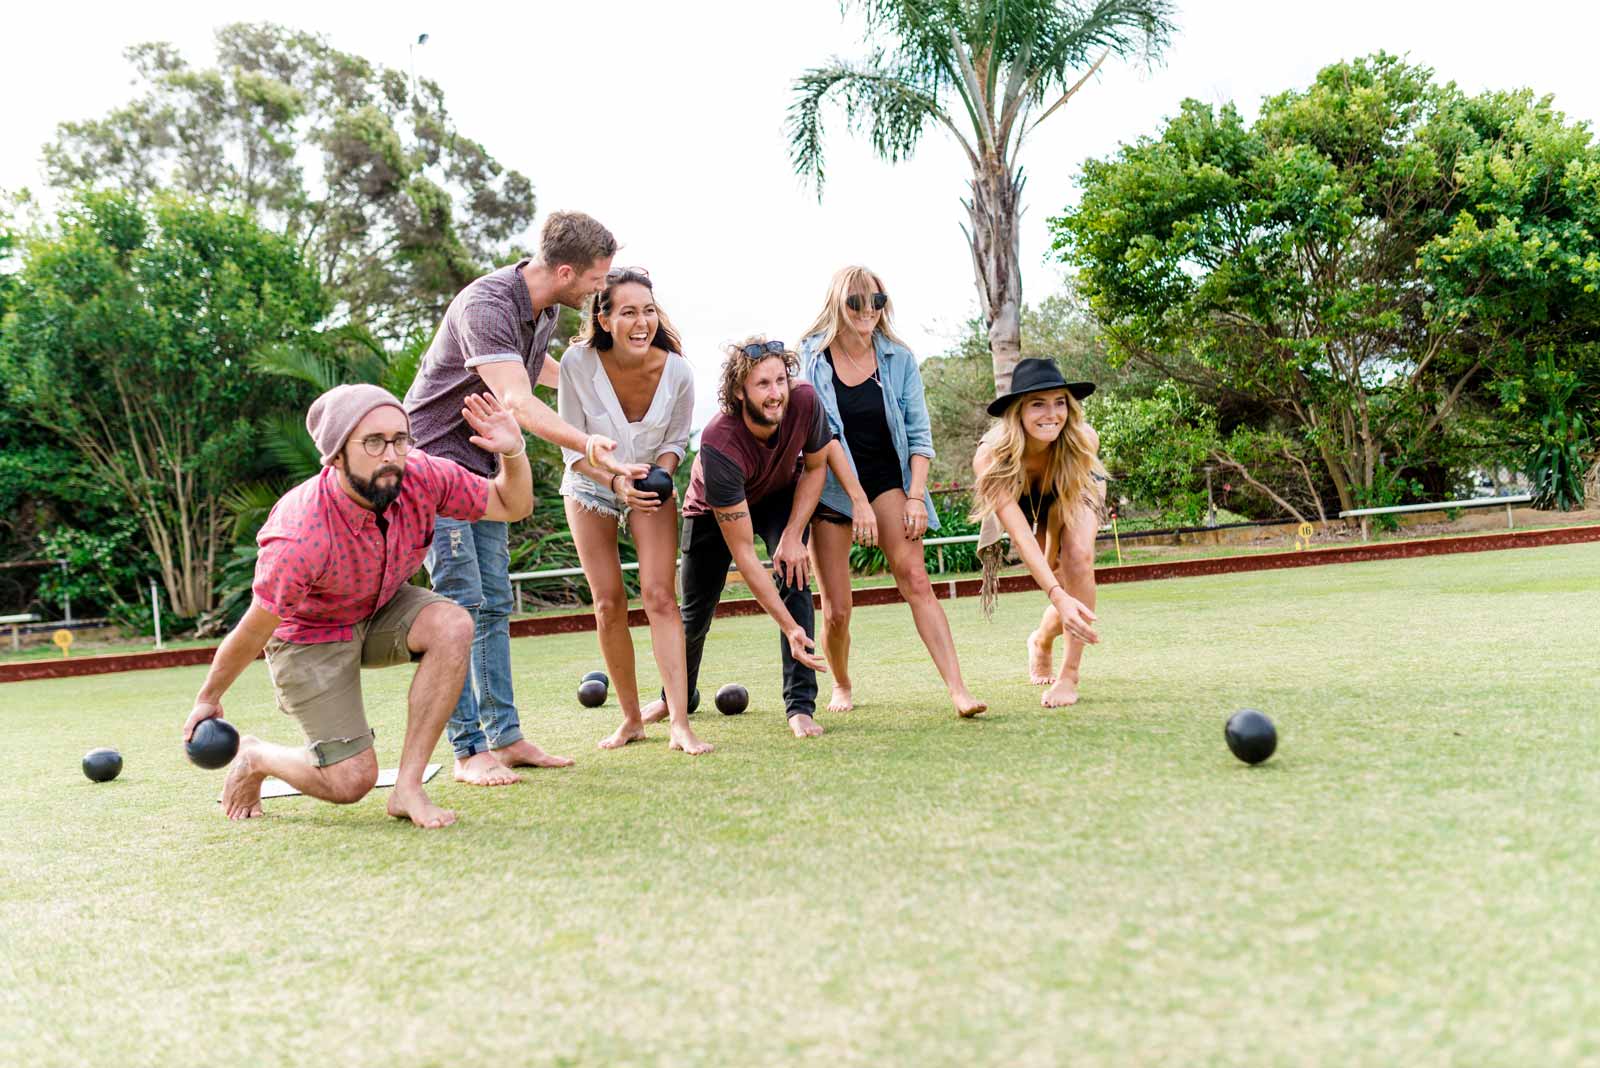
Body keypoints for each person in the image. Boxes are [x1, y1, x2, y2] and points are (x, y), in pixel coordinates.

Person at [181, 384, 535, 827]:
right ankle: (256, 757)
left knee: (452, 624)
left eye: (400, 438)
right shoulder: (301, 533)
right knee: (350, 781)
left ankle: (408, 788)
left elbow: (511, 504)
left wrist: (514, 450)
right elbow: (255, 629)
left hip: (379, 606)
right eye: (373, 441)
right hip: (309, 637)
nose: (391, 453)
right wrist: (208, 698)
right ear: (335, 454)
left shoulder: (422, 475)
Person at [404, 211, 645, 786]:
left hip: (484, 470)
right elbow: (513, 400)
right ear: (565, 271)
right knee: (459, 607)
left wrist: (595, 386)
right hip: (438, 466)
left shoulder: (541, 311)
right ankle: (468, 751)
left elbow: (535, 372)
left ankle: (505, 738)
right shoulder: (486, 305)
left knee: (491, 604)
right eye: (596, 279)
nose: (600, 290)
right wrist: (588, 441)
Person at [659, 336, 871, 739]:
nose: (776, 394)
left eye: (780, 381)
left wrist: (793, 535)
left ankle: (801, 707)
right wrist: (788, 627)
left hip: (777, 494)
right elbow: (744, 553)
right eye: (763, 384)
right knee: (695, 614)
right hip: (712, 512)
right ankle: (676, 700)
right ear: (739, 391)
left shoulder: (804, 400)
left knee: (794, 574)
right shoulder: (719, 442)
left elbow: (815, 467)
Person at [799, 266, 986, 718]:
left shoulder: (899, 359)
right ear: (837, 304)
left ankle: (959, 690)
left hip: (887, 479)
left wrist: (916, 496)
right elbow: (825, 435)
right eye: (856, 302)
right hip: (831, 487)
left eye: (877, 301)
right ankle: (842, 683)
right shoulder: (813, 357)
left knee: (916, 579)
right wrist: (856, 501)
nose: (868, 311)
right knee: (837, 610)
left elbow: (920, 436)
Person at [556, 268, 710, 755]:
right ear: (604, 319)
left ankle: (680, 723)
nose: (641, 322)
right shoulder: (576, 365)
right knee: (608, 603)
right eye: (627, 312)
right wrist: (614, 479)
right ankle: (630, 720)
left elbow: (673, 444)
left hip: (648, 487)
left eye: (647, 310)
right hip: (591, 483)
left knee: (661, 597)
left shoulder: (679, 372)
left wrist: (652, 476)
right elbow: (573, 448)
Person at [971, 357, 1107, 707]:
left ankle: (1069, 676)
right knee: (1056, 583)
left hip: (1071, 483)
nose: (1052, 414)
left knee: (1076, 560)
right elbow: (1019, 534)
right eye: (1038, 404)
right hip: (1020, 490)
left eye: (1059, 402)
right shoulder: (991, 458)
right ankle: (1042, 640)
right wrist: (1054, 590)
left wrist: (1057, 576)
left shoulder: (1081, 440)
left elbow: (1064, 511)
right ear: (1017, 411)